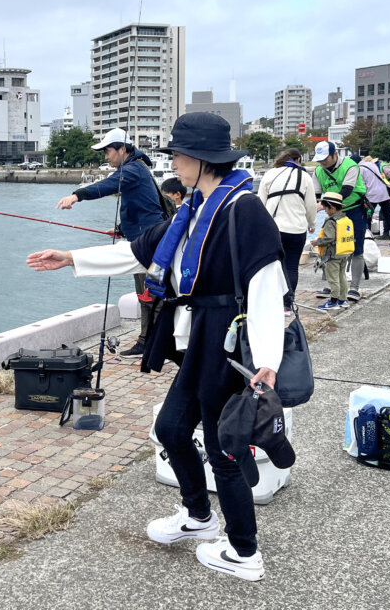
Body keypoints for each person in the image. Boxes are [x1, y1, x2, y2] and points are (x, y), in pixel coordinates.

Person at [28, 112, 286, 582]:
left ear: (199, 159)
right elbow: (139, 249)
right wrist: (71, 258)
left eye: (178, 155)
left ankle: (244, 551)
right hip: (198, 337)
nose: (175, 163)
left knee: (224, 445)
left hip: (227, 338)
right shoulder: (193, 207)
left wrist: (267, 361)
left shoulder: (241, 208)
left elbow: (267, 281)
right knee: (170, 429)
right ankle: (198, 517)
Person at [56, 128, 166, 357]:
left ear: (122, 150)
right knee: (148, 295)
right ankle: (151, 342)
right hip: (145, 239)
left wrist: (76, 196)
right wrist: (121, 230)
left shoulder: (133, 169)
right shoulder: (136, 169)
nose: (106, 156)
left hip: (148, 244)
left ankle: (150, 344)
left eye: (108, 151)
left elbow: (107, 186)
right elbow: (141, 207)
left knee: (150, 296)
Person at [257, 148, 315, 312]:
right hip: (297, 228)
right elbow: (310, 205)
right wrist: (312, 223)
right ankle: (287, 305)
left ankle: (271, 302)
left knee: (272, 267)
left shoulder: (270, 174)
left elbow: (260, 203)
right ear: (297, 160)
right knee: (291, 266)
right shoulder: (304, 176)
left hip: (273, 229)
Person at [312, 140, 367, 302]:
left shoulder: (350, 166)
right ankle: (331, 285)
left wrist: (325, 204)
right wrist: (314, 210)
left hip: (354, 209)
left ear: (335, 154)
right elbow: (316, 193)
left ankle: (355, 287)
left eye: (326, 159)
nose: (323, 163)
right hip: (333, 213)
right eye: (319, 160)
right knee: (329, 246)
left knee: (355, 247)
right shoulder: (318, 171)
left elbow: (347, 190)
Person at [311, 192, 351, 309]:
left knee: (333, 279)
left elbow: (329, 237)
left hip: (332, 255)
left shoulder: (331, 221)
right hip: (343, 253)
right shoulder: (345, 218)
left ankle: (333, 301)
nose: (324, 211)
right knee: (342, 277)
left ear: (332, 208)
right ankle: (343, 300)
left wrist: (317, 242)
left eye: (325, 208)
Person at [357, 156, 390, 242]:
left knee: (368, 216)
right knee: (388, 215)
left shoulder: (359, 169)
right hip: (383, 193)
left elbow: (363, 185)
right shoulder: (372, 165)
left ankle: (369, 237)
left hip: (372, 196)